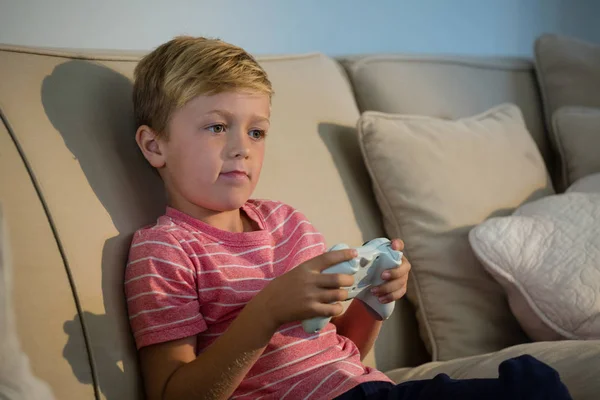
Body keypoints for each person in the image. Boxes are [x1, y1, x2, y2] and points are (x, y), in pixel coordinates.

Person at [124, 36, 572, 400]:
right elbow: (172, 394)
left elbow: (341, 350)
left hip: (365, 389)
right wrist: (265, 312)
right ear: (154, 146)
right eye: (217, 126)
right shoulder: (165, 249)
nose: (242, 146)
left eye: (256, 131)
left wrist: (374, 300)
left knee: (536, 383)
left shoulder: (287, 223)